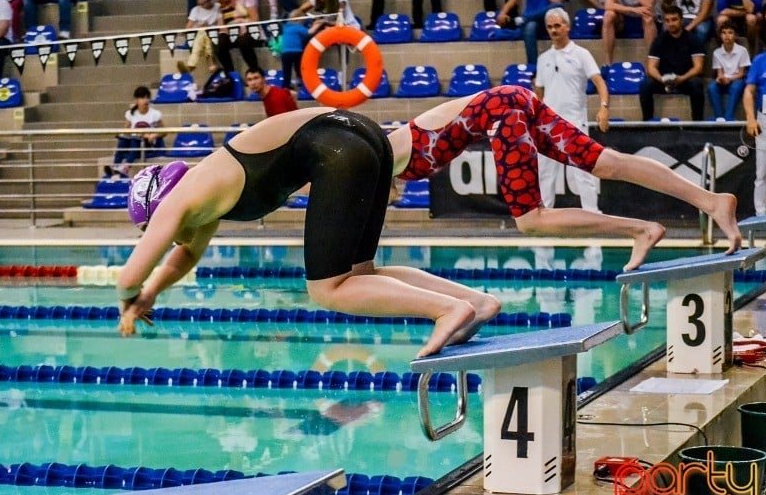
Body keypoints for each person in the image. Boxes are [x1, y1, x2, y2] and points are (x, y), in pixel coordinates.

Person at [115, 107, 502, 358]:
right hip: (362, 137)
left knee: (326, 288)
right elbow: (185, 255)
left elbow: (127, 277)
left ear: (157, 206)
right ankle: (474, 302)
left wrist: (128, 297)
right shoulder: (202, 202)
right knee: (359, 274)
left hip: (338, 148)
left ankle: (447, 310)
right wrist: (150, 294)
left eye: (149, 230)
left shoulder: (178, 199)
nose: (157, 238)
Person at [387, 85, 742, 272]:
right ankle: (711, 201)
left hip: (502, 112)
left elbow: (330, 116)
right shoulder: (392, 160)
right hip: (512, 99)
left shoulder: (385, 152)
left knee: (530, 221)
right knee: (607, 163)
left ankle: (640, 229)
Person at [535, 7, 608, 212]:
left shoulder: (581, 54)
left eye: (557, 26)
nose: (553, 30)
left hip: (575, 122)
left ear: (567, 27)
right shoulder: (543, 59)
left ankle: (592, 214)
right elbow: (539, 92)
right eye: (550, 27)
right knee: (545, 172)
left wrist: (604, 108)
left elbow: (600, 82)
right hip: (548, 125)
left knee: (583, 172)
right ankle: (544, 214)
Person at [639, 6, 706, 121]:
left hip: (685, 80)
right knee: (646, 84)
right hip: (664, 80)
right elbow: (651, 67)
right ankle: (647, 122)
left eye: (674, 19)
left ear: (681, 20)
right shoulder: (659, 40)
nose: (671, 23)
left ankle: (697, 123)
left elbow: (698, 67)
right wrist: (662, 79)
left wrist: (682, 78)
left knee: (697, 84)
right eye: (668, 20)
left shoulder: (693, 39)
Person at [743, 18, 766, 215]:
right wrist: (750, 117)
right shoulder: (759, 61)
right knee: (762, 171)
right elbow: (749, 91)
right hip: (765, 118)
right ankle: (761, 214)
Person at [105, 86, 164, 178]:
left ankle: (126, 167)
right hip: (134, 141)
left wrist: (154, 135)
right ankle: (116, 165)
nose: (145, 100)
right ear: (136, 100)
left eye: (147, 97)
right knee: (124, 140)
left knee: (135, 141)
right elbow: (126, 131)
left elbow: (164, 131)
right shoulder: (131, 114)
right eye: (142, 98)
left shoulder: (155, 114)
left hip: (148, 142)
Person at [212, 0, 260, 74]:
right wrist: (225, 33)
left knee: (243, 41)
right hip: (231, 33)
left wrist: (243, 27)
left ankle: (255, 70)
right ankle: (230, 74)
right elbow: (221, 26)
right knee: (219, 42)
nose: (217, 0)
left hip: (248, 30)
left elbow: (254, 18)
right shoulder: (220, 6)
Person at [708, 21, 750, 120]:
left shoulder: (742, 50)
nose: (727, 35)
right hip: (725, 80)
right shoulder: (717, 52)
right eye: (724, 33)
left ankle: (728, 116)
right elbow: (719, 72)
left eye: (730, 32)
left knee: (735, 87)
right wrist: (720, 79)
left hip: (737, 79)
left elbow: (741, 73)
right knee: (712, 88)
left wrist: (729, 79)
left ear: (735, 35)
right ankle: (719, 117)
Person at [177, 0, 220, 74]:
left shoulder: (218, 7)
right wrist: (198, 27)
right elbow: (188, 27)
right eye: (200, 3)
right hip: (199, 35)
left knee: (204, 33)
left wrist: (209, 26)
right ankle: (211, 64)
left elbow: (220, 23)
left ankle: (191, 66)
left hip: (215, 34)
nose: (202, 5)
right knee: (202, 33)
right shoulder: (196, 10)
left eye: (204, 3)